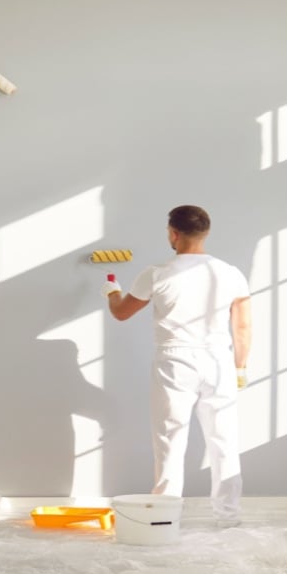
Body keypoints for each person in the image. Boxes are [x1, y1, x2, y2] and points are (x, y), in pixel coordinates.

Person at [101, 205, 251, 525]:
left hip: (175, 361)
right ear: (205, 233)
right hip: (218, 361)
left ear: (173, 233)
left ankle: (165, 519)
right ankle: (229, 517)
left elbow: (122, 312)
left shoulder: (157, 273)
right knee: (224, 441)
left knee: (170, 440)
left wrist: (113, 292)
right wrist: (240, 367)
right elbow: (241, 326)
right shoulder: (230, 273)